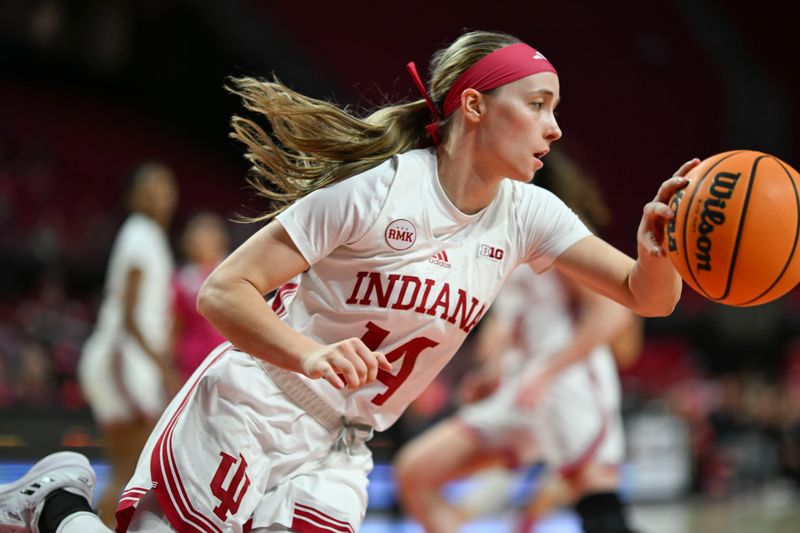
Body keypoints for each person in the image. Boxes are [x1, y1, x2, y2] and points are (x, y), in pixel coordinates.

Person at [0, 29, 697, 533]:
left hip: (344, 442)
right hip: (260, 401)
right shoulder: (380, 191)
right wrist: (309, 353)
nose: (555, 127)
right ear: (475, 106)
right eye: (539, 104)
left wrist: (655, 248)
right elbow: (223, 290)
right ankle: (55, 502)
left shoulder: (529, 213)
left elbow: (646, 294)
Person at [393, 151, 644, 533]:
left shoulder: (557, 228)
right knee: (415, 473)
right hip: (519, 386)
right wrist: (493, 369)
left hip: (568, 383)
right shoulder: (496, 230)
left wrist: (548, 373)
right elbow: (511, 321)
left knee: (602, 515)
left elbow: (614, 313)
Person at [76, 162, 179, 525]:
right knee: (130, 472)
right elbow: (130, 315)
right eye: (150, 188)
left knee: (131, 471)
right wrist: (164, 367)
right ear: (133, 197)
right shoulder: (140, 234)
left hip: (126, 361)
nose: (159, 195)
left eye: (165, 188)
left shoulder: (145, 235)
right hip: (122, 361)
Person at [170, 211, 229, 381]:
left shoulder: (232, 271)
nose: (202, 241)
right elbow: (176, 326)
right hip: (192, 363)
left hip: (226, 358)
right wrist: (171, 366)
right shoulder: (182, 278)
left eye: (208, 234)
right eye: (198, 236)